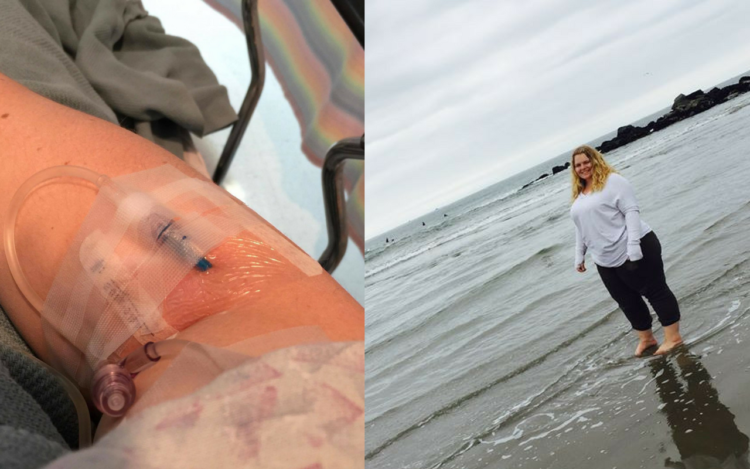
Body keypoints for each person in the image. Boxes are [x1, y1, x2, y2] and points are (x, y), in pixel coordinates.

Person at [569, 145, 682, 356]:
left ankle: (673, 338)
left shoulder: (613, 182)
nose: (583, 167)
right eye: (578, 165)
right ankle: (647, 339)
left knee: (655, 291)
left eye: (586, 161)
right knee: (627, 301)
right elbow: (581, 228)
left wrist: (634, 246)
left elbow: (631, 211)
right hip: (604, 258)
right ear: (574, 169)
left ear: (595, 160)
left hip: (636, 246)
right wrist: (579, 256)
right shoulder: (579, 195)